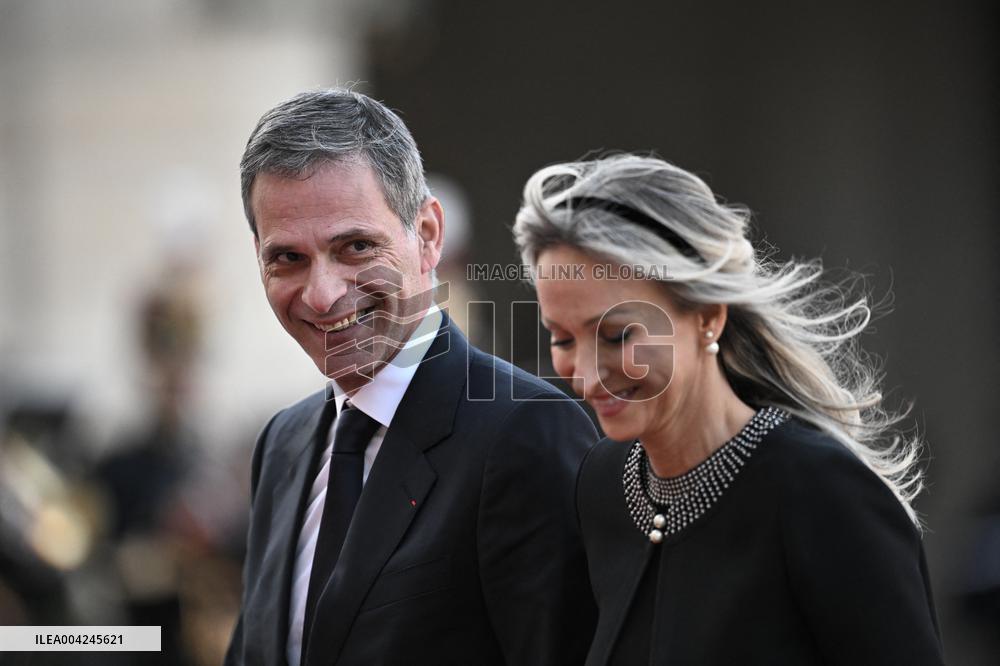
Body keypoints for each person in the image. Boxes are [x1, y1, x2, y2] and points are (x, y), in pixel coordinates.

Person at [512, 154, 945, 665]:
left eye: (618, 335)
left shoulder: (821, 491)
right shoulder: (602, 483)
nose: (584, 375)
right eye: (562, 339)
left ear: (707, 318)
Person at [225, 89, 598, 666]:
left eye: (355, 247)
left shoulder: (527, 434)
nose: (323, 295)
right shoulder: (283, 443)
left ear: (426, 234)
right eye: (288, 259)